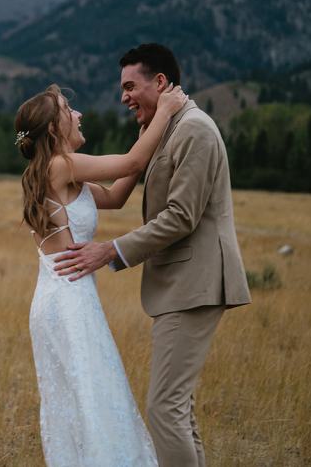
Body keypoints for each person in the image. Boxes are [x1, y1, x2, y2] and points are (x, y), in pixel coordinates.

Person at [52, 43, 251, 467]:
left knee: (165, 410)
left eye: (130, 86)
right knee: (178, 411)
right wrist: (152, 126)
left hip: (196, 284)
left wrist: (110, 250)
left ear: (159, 83)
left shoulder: (194, 129)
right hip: (179, 286)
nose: (123, 97)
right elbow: (128, 174)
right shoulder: (168, 129)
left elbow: (181, 216)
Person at [15, 81, 187, 467]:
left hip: (61, 299)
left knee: (88, 399)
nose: (79, 114)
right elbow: (130, 164)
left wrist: (147, 135)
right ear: (56, 129)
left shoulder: (59, 172)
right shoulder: (63, 165)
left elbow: (116, 195)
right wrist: (165, 111)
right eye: (69, 110)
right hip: (69, 302)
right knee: (93, 399)